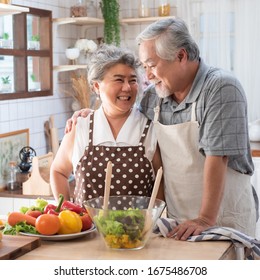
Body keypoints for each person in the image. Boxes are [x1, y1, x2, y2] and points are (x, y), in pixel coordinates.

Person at [65, 18, 258, 240]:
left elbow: (218, 156)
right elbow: (122, 112)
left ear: (181, 56)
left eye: (152, 65)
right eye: (144, 67)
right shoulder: (153, 97)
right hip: (179, 223)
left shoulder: (220, 87)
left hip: (222, 219)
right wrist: (91, 115)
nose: (147, 76)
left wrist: (205, 218)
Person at [50, 44, 164, 206]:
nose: (127, 87)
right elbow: (58, 171)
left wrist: (154, 219)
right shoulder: (81, 127)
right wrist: (66, 209)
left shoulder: (150, 128)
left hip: (136, 230)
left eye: (132, 80)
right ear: (96, 86)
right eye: (119, 80)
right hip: (87, 230)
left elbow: (161, 182)